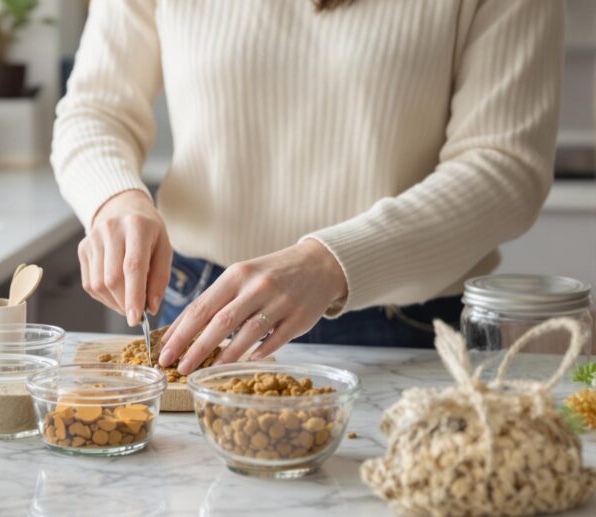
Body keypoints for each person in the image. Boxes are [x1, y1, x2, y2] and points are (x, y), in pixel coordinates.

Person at [51, 0, 563, 376]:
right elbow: (95, 110)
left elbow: (505, 167)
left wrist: (330, 263)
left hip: (403, 327)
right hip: (197, 307)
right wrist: (114, 200)